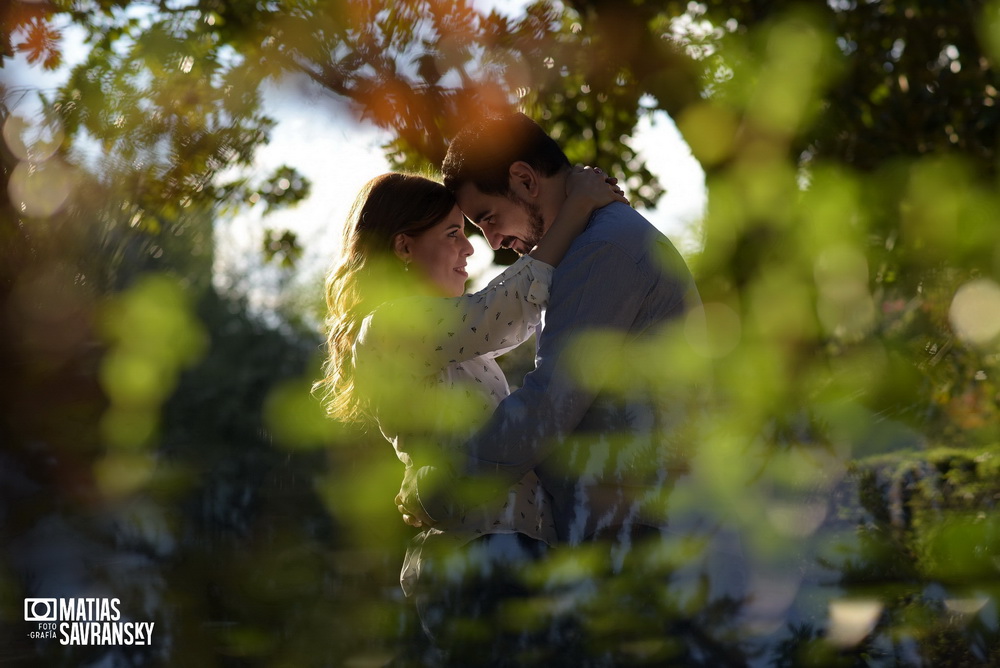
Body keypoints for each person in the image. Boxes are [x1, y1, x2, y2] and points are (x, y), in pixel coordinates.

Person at [313, 169, 626, 656]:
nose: (470, 250)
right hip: (481, 557)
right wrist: (575, 210)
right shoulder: (390, 324)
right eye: (454, 233)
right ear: (403, 248)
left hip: (510, 551)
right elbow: (500, 313)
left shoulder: (458, 351)